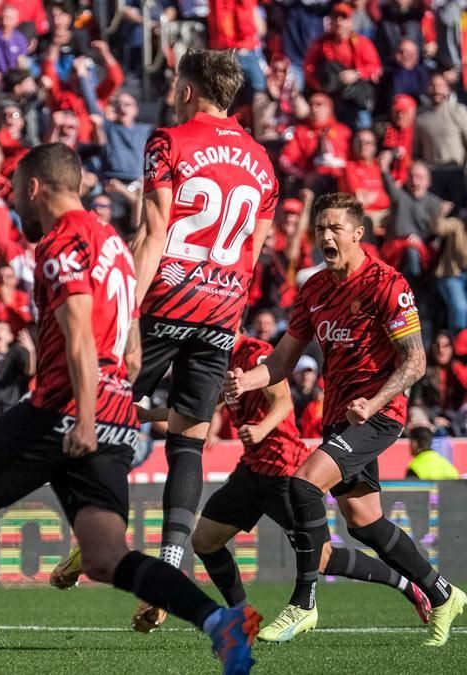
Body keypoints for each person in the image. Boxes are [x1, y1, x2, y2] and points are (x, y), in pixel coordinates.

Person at [0, 143, 259, 675]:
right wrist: (111, 399)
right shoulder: (111, 240)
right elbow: (131, 340)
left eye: (15, 189)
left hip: (64, 408)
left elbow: (79, 334)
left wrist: (83, 415)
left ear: (35, 188)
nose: (13, 199)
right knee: (106, 557)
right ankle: (218, 622)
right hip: (116, 409)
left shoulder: (61, 241)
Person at [225, 192, 465, 647]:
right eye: (320, 229)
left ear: (358, 233)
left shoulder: (386, 284)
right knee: (364, 523)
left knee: (303, 484)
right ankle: (442, 592)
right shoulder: (314, 289)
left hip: (378, 414)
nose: (325, 236)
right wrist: (248, 380)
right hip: (341, 417)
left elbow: (414, 363)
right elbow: (281, 362)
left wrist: (374, 403)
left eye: (335, 228)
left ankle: (303, 603)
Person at [79, 331, 433, 639]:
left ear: (232, 320)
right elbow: (202, 407)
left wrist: (262, 429)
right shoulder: (215, 359)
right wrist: (150, 416)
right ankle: (243, 615)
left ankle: (407, 585)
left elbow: (282, 401)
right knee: (205, 540)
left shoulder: (255, 352)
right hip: (252, 471)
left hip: (283, 468)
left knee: (322, 559)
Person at [130, 49, 279, 632]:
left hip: (167, 301)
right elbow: (256, 249)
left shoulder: (169, 140)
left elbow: (153, 231)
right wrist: (231, 313)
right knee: (188, 442)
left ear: (189, 91)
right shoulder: (263, 163)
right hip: (222, 310)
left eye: (175, 85)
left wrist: (127, 315)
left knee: (98, 413)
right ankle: (170, 565)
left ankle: (98, 542)